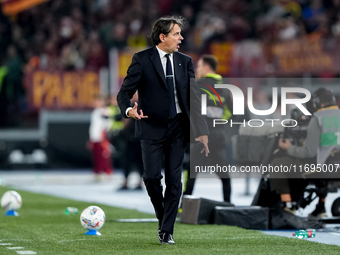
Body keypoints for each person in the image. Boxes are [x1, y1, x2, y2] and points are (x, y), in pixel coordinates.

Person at [117, 16, 209, 245]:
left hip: (178, 127)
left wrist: (202, 130)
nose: (181, 38)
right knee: (150, 177)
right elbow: (123, 93)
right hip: (150, 127)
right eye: (177, 33)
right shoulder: (141, 60)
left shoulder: (185, 62)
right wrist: (129, 111)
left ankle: (167, 231)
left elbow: (193, 98)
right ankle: (163, 217)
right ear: (162, 37)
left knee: (175, 180)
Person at [271, 88, 340, 217]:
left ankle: (288, 205)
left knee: (277, 164)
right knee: (325, 162)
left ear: (317, 102)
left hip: (322, 167)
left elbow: (309, 152)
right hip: (335, 165)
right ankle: (321, 207)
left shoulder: (318, 119)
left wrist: (288, 147)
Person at [182, 55, 232, 203]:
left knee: (191, 172)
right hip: (218, 136)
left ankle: (182, 208)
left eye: (199, 67)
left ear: (207, 68)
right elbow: (231, 113)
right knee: (224, 175)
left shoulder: (196, 85)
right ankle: (227, 205)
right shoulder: (225, 89)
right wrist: (217, 122)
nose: (197, 70)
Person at [88, 94, 113, 182]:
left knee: (104, 156)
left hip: (102, 138)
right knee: (96, 156)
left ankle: (106, 172)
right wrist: (91, 138)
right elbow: (93, 127)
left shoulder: (105, 111)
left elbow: (107, 124)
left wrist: (104, 136)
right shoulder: (95, 112)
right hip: (95, 138)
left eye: (99, 101)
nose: (96, 103)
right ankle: (97, 173)